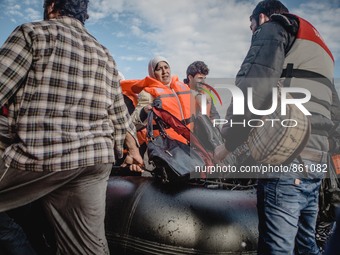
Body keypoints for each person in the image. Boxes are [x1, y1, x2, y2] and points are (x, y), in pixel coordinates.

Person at [0, 0, 143, 254]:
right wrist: (132, 151)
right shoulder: (104, 53)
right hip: (92, 161)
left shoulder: (32, 33)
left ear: (52, 5)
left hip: (39, 157)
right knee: (87, 248)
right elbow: (120, 117)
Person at [214, 0, 335, 254]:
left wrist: (229, 143)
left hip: (285, 158)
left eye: (251, 26)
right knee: (306, 245)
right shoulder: (321, 49)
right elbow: (334, 110)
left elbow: (253, 88)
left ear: (261, 18)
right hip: (316, 161)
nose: (252, 33)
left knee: (276, 248)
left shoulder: (273, 27)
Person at [121, 56, 191, 151]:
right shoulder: (148, 93)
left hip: (191, 145)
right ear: (153, 73)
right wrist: (145, 111)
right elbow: (133, 123)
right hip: (168, 148)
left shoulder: (184, 87)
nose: (164, 71)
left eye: (166, 67)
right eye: (159, 69)